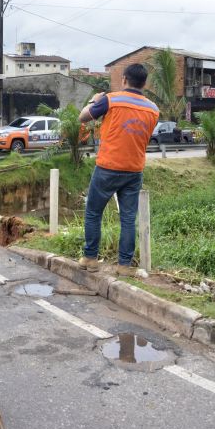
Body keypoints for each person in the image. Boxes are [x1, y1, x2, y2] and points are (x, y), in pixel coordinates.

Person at [77, 63, 159, 277]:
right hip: (134, 170)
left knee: (94, 212)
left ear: (124, 80)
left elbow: (83, 117)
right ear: (144, 83)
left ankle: (91, 258)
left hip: (107, 167)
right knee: (128, 218)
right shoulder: (153, 109)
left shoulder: (110, 100)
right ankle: (124, 265)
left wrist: (94, 101)